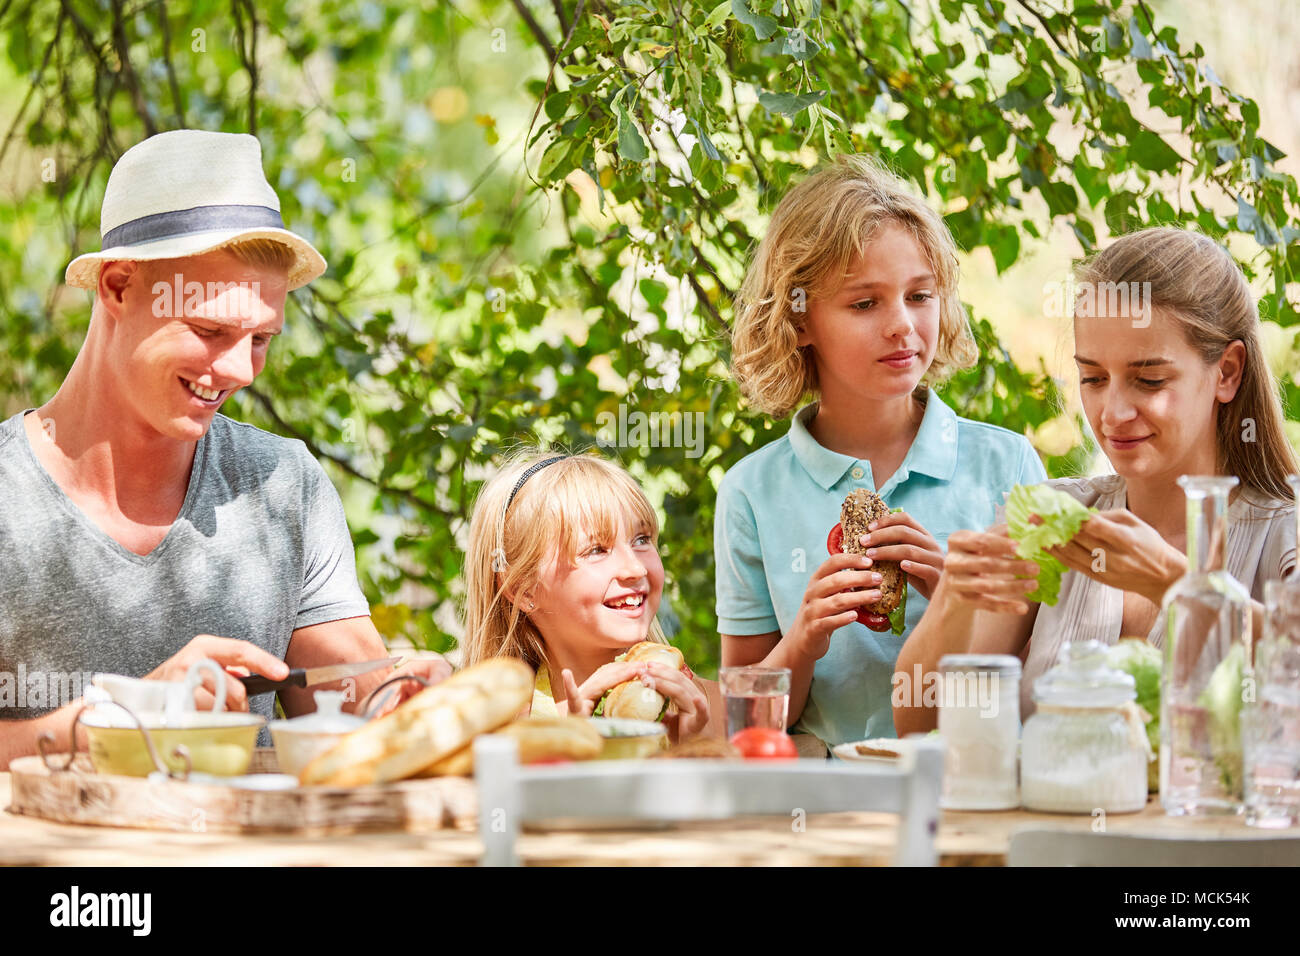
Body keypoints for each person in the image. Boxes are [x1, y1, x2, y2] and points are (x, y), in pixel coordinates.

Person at [0, 130, 449, 767]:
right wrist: (126, 717)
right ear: (119, 286)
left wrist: (407, 700)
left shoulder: (283, 485)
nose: (240, 370)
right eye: (211, 329)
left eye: (262, 338)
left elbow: (350, 704)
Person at [894, 226, 1299, 733]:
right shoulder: (1048, 519)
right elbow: (918, 725)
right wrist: (955, 594)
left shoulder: (1286, 531)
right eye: (1093, 378)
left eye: (1149, 380)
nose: (1113, 413)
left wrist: (1176, 586)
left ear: (1228, 372)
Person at [714, 154, 1046, 752]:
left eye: (920, 296)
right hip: (823, 813)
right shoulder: (750, 492)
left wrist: (958, 598)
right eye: (864, 304)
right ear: (799, 320)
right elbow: (748, 726)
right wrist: (804, 640)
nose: (902, 325)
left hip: (971, 795)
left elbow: (1045, 685)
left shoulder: (1009, 466)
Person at [459, 448, 723, 741]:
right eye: (596, 550)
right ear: (521, 588)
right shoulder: (497, 732)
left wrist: (699, 753)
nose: (635, 568)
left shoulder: (719, 709)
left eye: (641, 539)